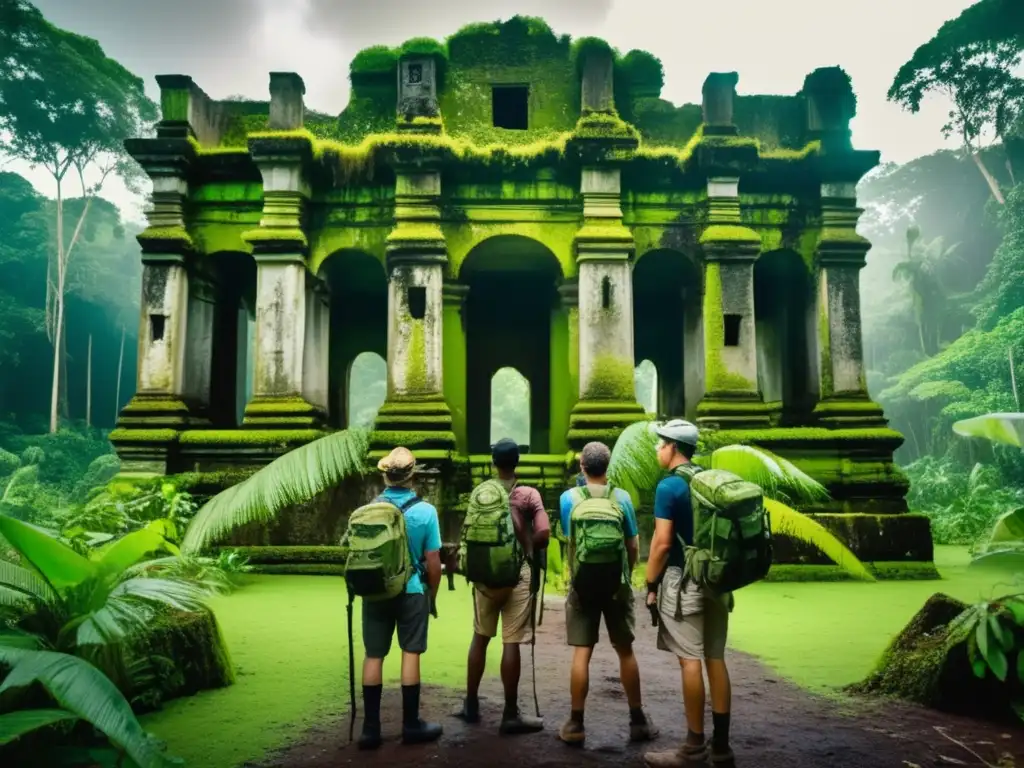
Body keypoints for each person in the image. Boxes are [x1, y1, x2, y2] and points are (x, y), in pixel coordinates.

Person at [643, 420, 734, 768]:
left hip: (686, 583)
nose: (657, 449)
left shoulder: (669, 487)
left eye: (660, 444)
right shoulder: (710, 479)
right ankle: (722, 748)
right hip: (717, 579)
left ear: (673, 448)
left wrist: (651, 585)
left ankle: (693, 747)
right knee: (716, 658)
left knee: (690, 660)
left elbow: (663, 544)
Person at [556, 441, 658, 746]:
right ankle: (638, 720)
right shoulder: (622, 498)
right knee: (624, 650)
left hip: (583, 584)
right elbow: (633, 544)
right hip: (616, 585)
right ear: (607, 467)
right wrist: (627, 574)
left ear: (582, 467)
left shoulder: (568, 499)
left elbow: (570, 541)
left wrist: (573, 574)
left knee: (582, 652)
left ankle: (576, 723)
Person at [454, 437, 550, 734]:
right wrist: (527, 549)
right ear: (516, 463)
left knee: (480, 637)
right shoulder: (528, 494)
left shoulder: (482, 493)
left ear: (494, 463)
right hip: (517, 576)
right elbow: (545, 532)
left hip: (484, 578)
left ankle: (470, 704)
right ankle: (510, 713)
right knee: (511, 641)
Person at [358, 447, 444, 750]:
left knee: (374, 655)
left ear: (385, 475)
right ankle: (410, 725)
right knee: (410, 653)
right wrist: (431, 594)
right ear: (412, 475)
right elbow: (433, 562)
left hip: (376, 592)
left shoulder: (370, 509)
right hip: (412, 591)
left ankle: (370, 730)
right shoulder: (426, 512)